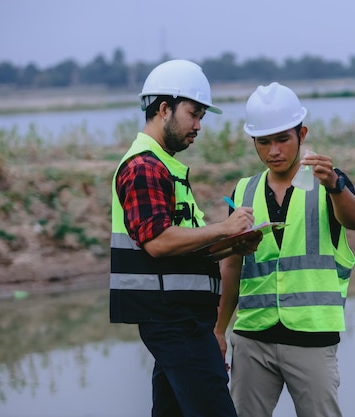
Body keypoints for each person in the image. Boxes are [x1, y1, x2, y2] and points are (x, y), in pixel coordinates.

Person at [109, 59, 261, 417]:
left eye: (202, 117)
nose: (198, 126)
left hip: (182, 318)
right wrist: (224, 228)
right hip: (174, 321)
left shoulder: (165, 168)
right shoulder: (144, 167)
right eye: (194, 114)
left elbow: (183, 248)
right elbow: (158, 242)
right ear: (164, 109)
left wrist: (231, 245)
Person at [214, 82, 355, 417]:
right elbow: (232, 267)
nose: (274, 151)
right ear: (253, 141)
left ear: (302, 133)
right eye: (264, 142)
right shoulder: (243, 191)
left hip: (312, 334)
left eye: (282, 139)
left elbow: (354, 220)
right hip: (252, 334)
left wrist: (335, 186)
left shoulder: (329, 182)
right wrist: (219, 330)